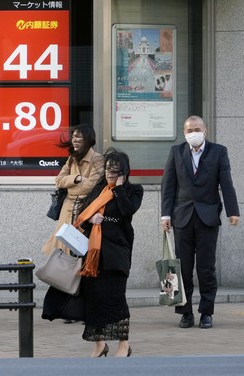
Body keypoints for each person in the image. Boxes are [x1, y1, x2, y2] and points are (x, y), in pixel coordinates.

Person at [161, 115, 239, 329]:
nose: (193, 133)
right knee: (183, 269)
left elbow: (226, 182)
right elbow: (168, 186)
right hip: (182, 219)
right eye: (189, 130)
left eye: (197, 129)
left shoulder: (218, 151)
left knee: (206, 269)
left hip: (208, 219)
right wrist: (165, 216)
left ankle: (206, 312)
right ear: (184, 133)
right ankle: (185, 313)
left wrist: (233, 211)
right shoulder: (176, 152)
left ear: (205, 131)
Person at [72, 148, 143, 357]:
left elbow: (127, 212)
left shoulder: (134, 190)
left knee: (116, 298)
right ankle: (100, 344)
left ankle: (124, 344)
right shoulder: (98, 189)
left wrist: (119, 189)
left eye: (115, 172)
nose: (109, 175)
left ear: (124, 173)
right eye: (108, 171)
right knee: (94, 299)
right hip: (94, 254)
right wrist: (91, 219)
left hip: (117, 252)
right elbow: (81, 214)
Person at [41, 124, 104, 323]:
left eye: (80, 138)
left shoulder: (97, 159)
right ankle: (70, 308)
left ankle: (87, 308)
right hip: (67, 212)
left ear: (89, 140)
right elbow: (58, 181)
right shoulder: (71, 159)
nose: (75, 140)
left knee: (85, 259)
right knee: (67, 260)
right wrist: (76, 178)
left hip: (86, 211)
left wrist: (74, 184)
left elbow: (92, 184)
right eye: (74, 137)